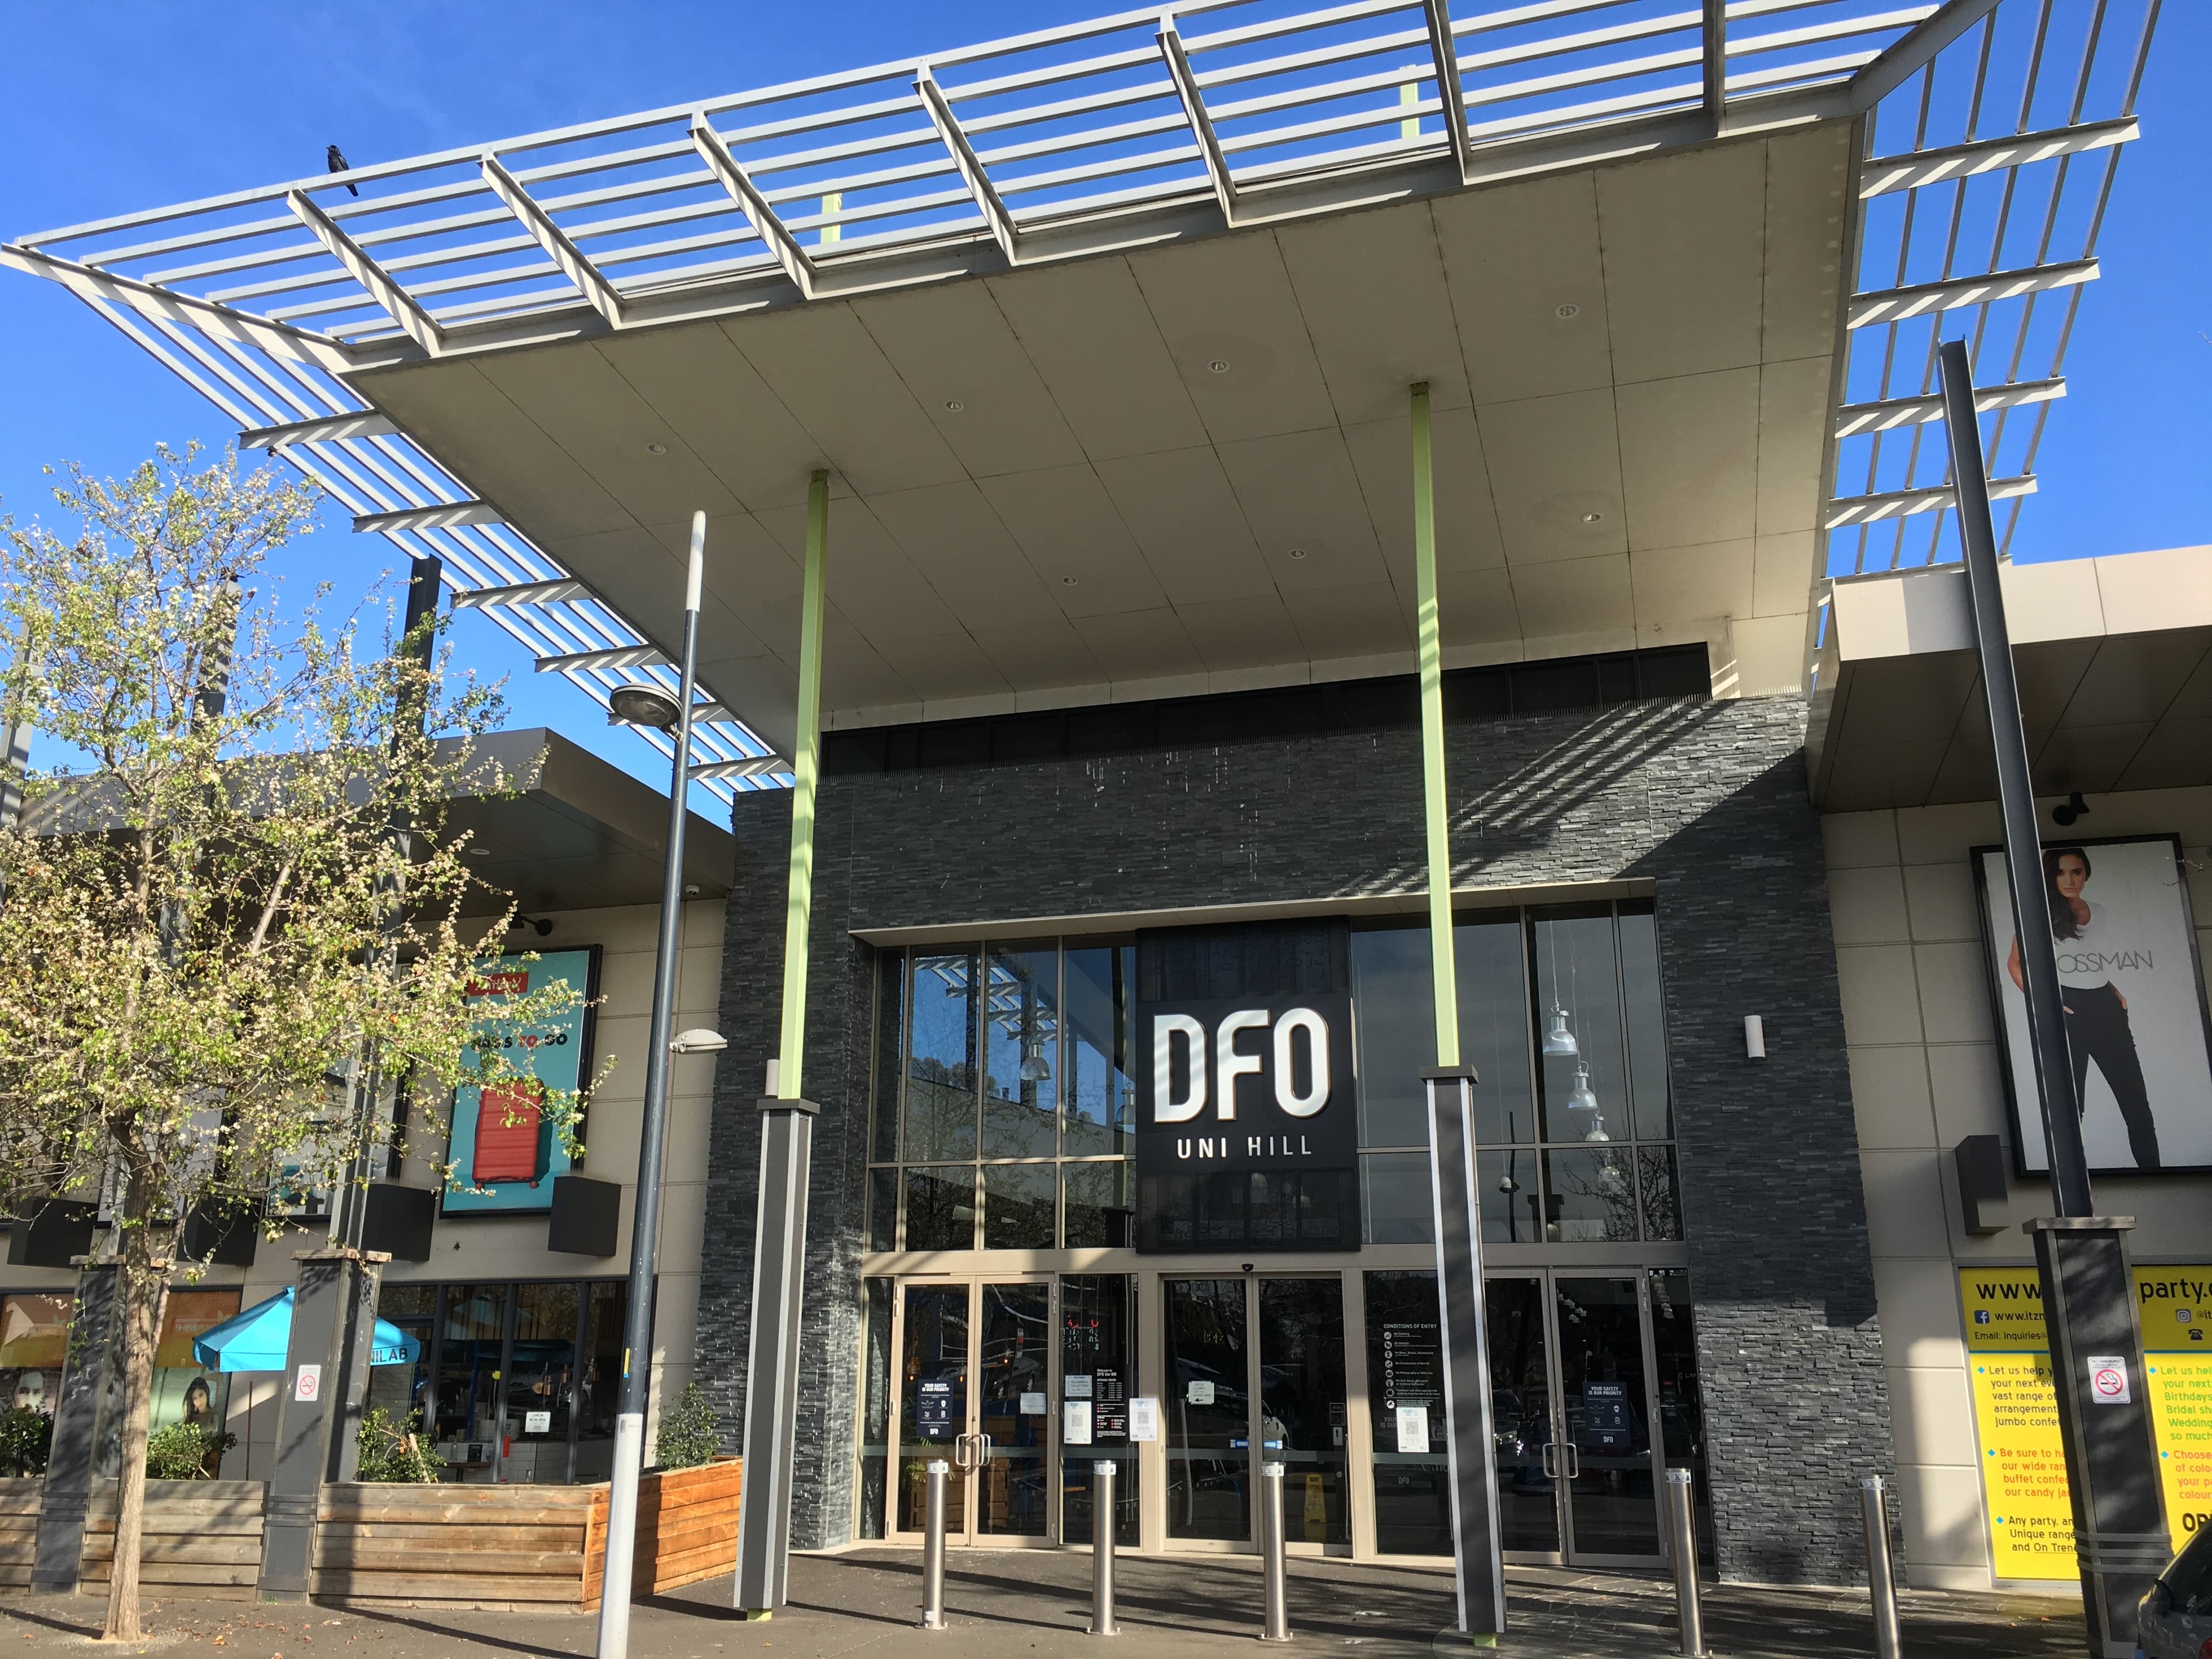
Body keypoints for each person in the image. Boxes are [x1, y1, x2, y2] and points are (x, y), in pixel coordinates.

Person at [2008, 846, 2161, 1170]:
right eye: (2061, 872)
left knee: (2136, 1104)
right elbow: (2016, 965)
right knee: (2070, 1107)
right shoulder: (2037, 917)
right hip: (2068, 1009)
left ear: (2086, 874)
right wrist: (2046, 1002)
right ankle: (2071, 1184)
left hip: (2105, 1009)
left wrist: (2112, 987)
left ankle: (2155, 1174)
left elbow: (2090, 961)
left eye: (2076, 871)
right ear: (2050, 877)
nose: (2069, 879)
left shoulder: (2100, 912)